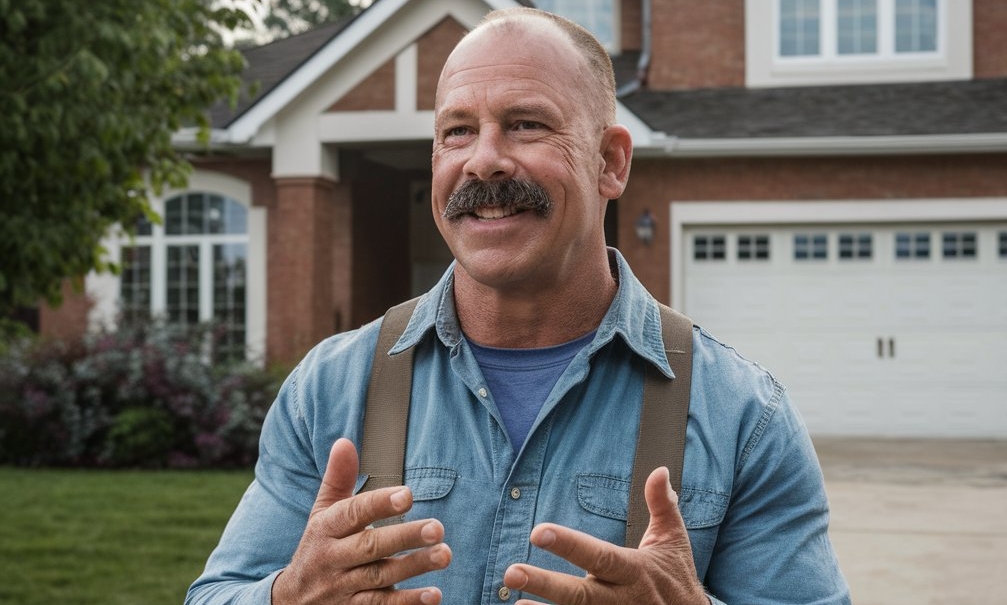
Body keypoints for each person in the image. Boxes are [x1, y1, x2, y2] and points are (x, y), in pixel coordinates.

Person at [186, 7, 851, 605]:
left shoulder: (742, 416)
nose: (484, 161)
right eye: (457, 131)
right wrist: (289, 596)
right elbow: (215, 594)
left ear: (610, 162)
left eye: (525, 124)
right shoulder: (328, 388)